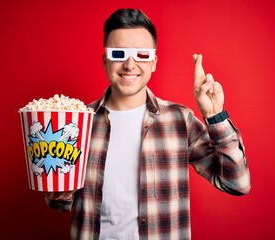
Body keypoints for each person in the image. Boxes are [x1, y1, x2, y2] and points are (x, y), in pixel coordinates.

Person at [45, 8, 251, 240]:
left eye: (141, 55)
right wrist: (59, 183)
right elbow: (58, 203)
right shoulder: (77, 122)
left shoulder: (179, 120)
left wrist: (215, 116)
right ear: (105, 61)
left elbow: (237, 183)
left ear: (153, 62)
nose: (130, 65)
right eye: (118, 54)